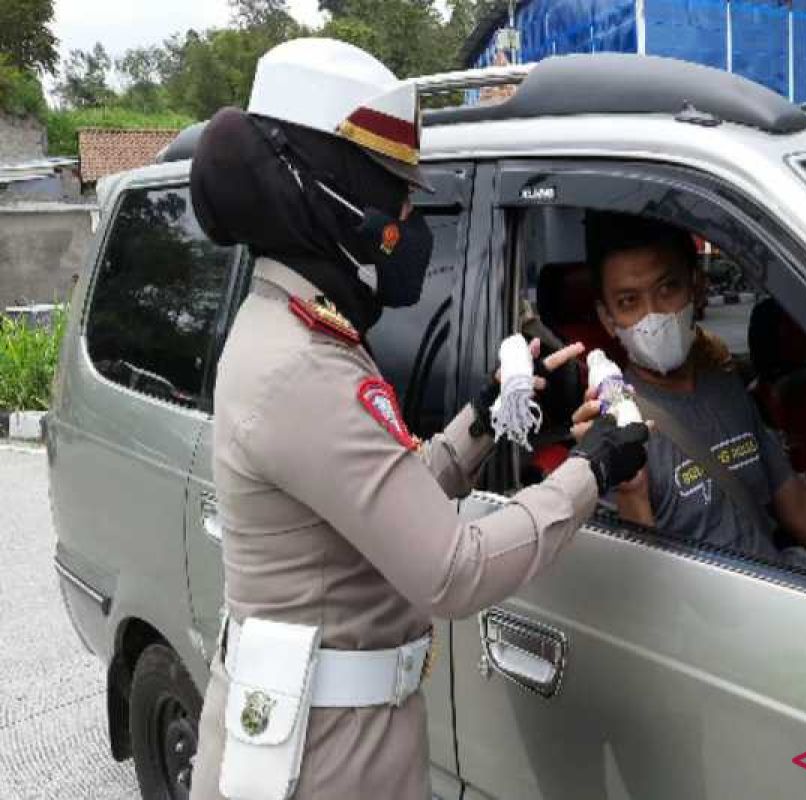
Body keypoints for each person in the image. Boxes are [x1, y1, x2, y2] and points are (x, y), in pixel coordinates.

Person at [187, 39, 648, 800]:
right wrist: (593, 467)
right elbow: (452, 568)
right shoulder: (301, 366)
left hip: (332, 739)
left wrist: (492, 413)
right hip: (324, 764)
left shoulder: (293, 332)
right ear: (331, 196)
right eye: (393, 193)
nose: (407, 217)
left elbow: (380, 498)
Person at [571, 212, 806, 565]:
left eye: (667, 289)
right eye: (629, 301)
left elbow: (796, 505)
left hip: (779, 594)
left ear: (696, 287)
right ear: (608, 318)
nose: (654, 315)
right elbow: (635, 587)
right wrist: (631, 490)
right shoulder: (612, 431)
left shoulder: (728, 390)